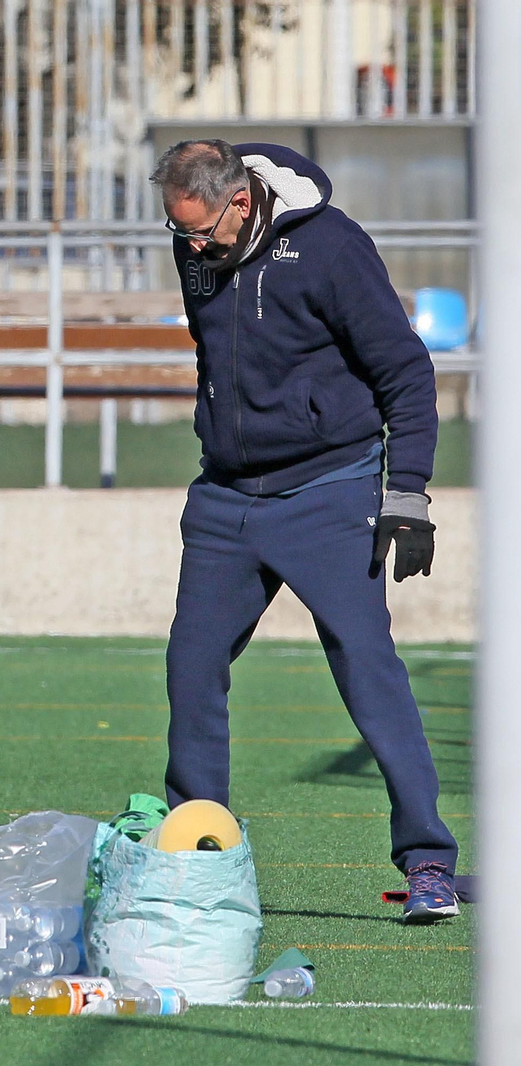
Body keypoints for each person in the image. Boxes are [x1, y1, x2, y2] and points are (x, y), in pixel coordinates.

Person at [151, 139, 458, 923]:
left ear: (242, 202)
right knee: (191, 665)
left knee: (368, 668)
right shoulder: (194, 245)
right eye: (176, 232)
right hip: (226, 499)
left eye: (201, 232)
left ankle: (428, 861)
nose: (190, 249)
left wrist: (408, 494)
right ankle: (197, 851)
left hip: (329, 489)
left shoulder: (330, 247)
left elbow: (403, 370)